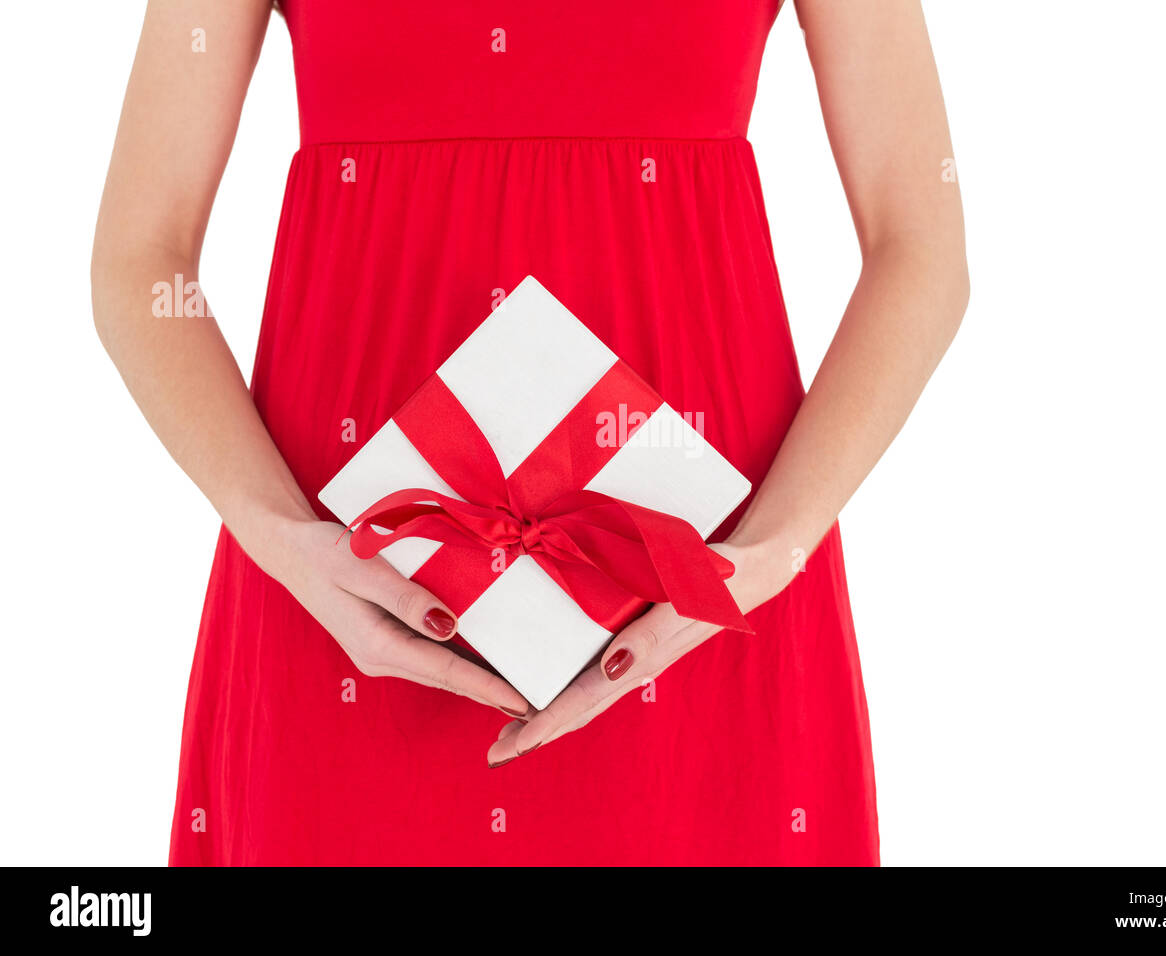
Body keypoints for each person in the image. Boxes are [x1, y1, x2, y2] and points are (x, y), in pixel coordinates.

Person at [92, 0, 968, 865]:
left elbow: (919, 246)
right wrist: (288, 545)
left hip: (700, 598)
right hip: (347, 599)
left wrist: (766, 557)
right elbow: (142, 256)